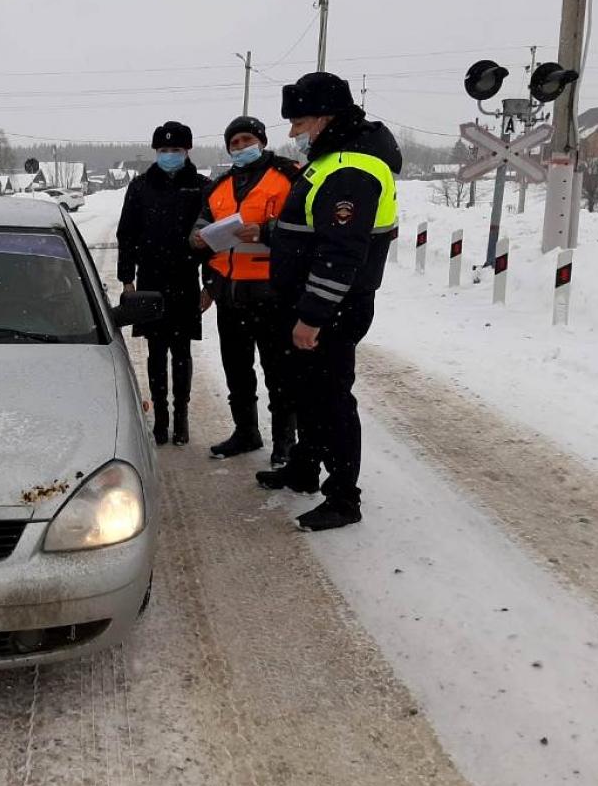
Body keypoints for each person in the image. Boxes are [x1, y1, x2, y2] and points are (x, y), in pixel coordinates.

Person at [255, 72, 401, 532]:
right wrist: (267, 235)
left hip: (332, 308)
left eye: (300, 123)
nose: (295, 133)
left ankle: (343, 497)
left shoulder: (350, 170)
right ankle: (304, 468)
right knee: (306, 391)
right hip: (310, 303)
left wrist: (313, 316)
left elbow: (340, 252)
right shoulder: (331, 160)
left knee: (331, 398)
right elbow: (308, 232)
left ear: (325, 116)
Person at [190, 116, 300, 466]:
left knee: (279, 373)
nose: (240, 148)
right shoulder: (220, 186)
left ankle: (285, 443)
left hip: (274, 293)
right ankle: (246, 432)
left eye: (246, 140)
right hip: (232, 294)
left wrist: (267, 231)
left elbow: (305, 225)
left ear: (262, 141)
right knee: (237, 370)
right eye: (234, 143)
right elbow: (203, 226)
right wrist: (197, 239)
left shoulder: (288, 177)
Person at [117, 121, 209, 445]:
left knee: (181, 352)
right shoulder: (141, 186)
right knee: (156, 353)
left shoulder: (201, 186)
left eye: (176, 150)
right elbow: (126, 234)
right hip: (150, 281)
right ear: (156, 152)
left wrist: (209, 284)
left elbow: (212, 238)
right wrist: (127, 279)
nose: (170, 155)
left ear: (187, 151)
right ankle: (160, 417)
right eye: (164, 150)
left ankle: (181, 415)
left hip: (185, 281)